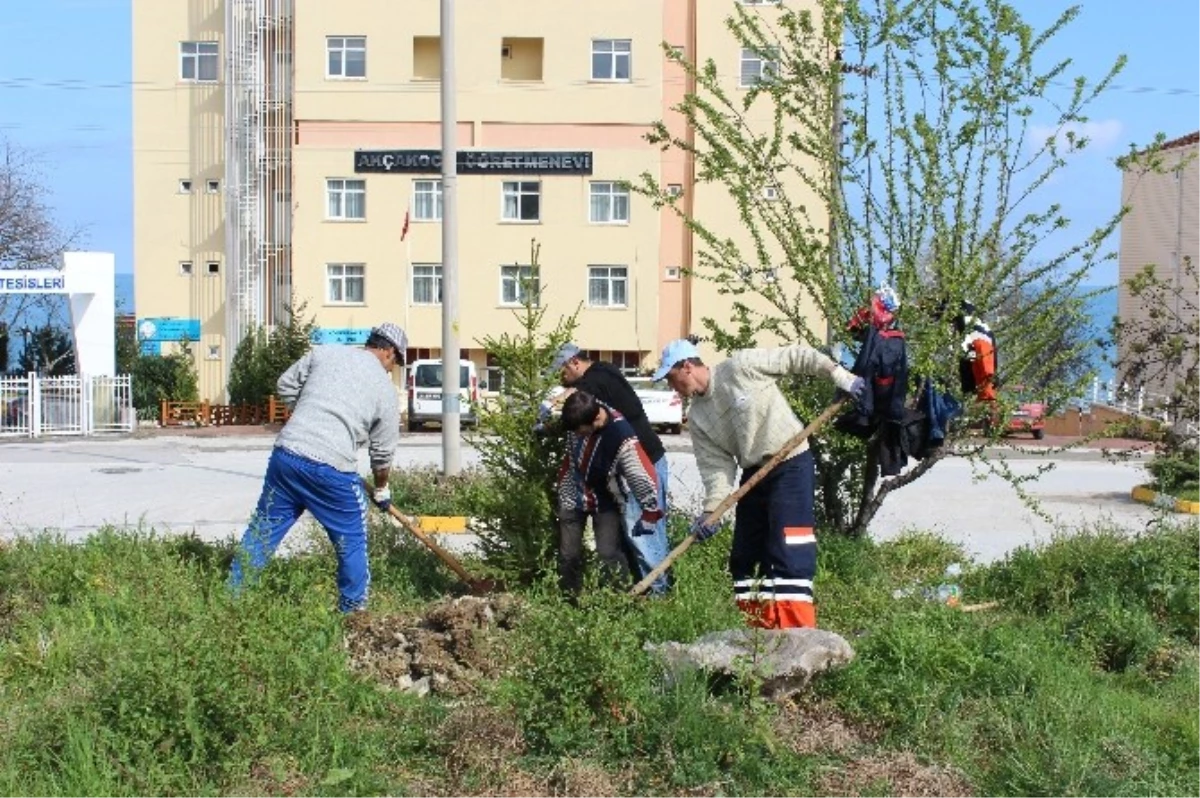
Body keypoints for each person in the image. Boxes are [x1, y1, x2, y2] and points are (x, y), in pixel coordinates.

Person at [654, 338, 866, 629]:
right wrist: (711, 512)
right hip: (754, 475)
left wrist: (841, 376)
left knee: (789, 550)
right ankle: (759, 638)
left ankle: (798, 638)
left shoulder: (740, 367)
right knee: (746, 557)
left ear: (687, 367)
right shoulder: (698, 416)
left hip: (790, 463)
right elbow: (716, 468)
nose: (670, 385)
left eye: (670, 377)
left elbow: (797, 357)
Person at [228, 323, 407, 613]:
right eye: (396, 362)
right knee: (352, 539)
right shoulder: (385, 392)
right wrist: (382, 488)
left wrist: (310, 414)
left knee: (263, 530)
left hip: (286, 456)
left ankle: (232, 598)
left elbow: (285, 384)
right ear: (388, 351)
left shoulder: (326, 353)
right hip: (331, 470)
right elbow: (383, 452)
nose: (393, 368)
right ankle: (353, 614)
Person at [545, 343, 674, 594]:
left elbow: (583, 390)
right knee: (634, 537)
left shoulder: (599, 383)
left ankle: (660, 595)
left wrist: (550, 404)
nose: (562, 378)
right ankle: (644, 590)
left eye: (562, 372)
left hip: (641, 461)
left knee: (645, 533)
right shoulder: (603, 373)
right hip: (636, 464)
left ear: (574, 362)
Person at [555, 390, 663, 594]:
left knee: (608, 553)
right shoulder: (579, 414)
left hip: (606, 499)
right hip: (572, 493)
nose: (577, 435)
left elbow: (639, 474)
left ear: (596, 419)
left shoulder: (621, 435)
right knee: (569, 554)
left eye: (581, 431)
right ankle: (569, 597)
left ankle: (618, 596)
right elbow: (569, 450)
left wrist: (649, 510)